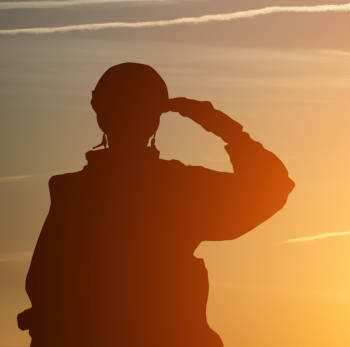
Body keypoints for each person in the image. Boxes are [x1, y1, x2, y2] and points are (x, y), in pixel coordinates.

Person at [18, 62, 295, 346]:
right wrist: (223, 127)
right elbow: (272, 187)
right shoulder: (180, 189)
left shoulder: (72, 193)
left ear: (98, 111)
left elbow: (42, 286)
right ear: (156, 118)